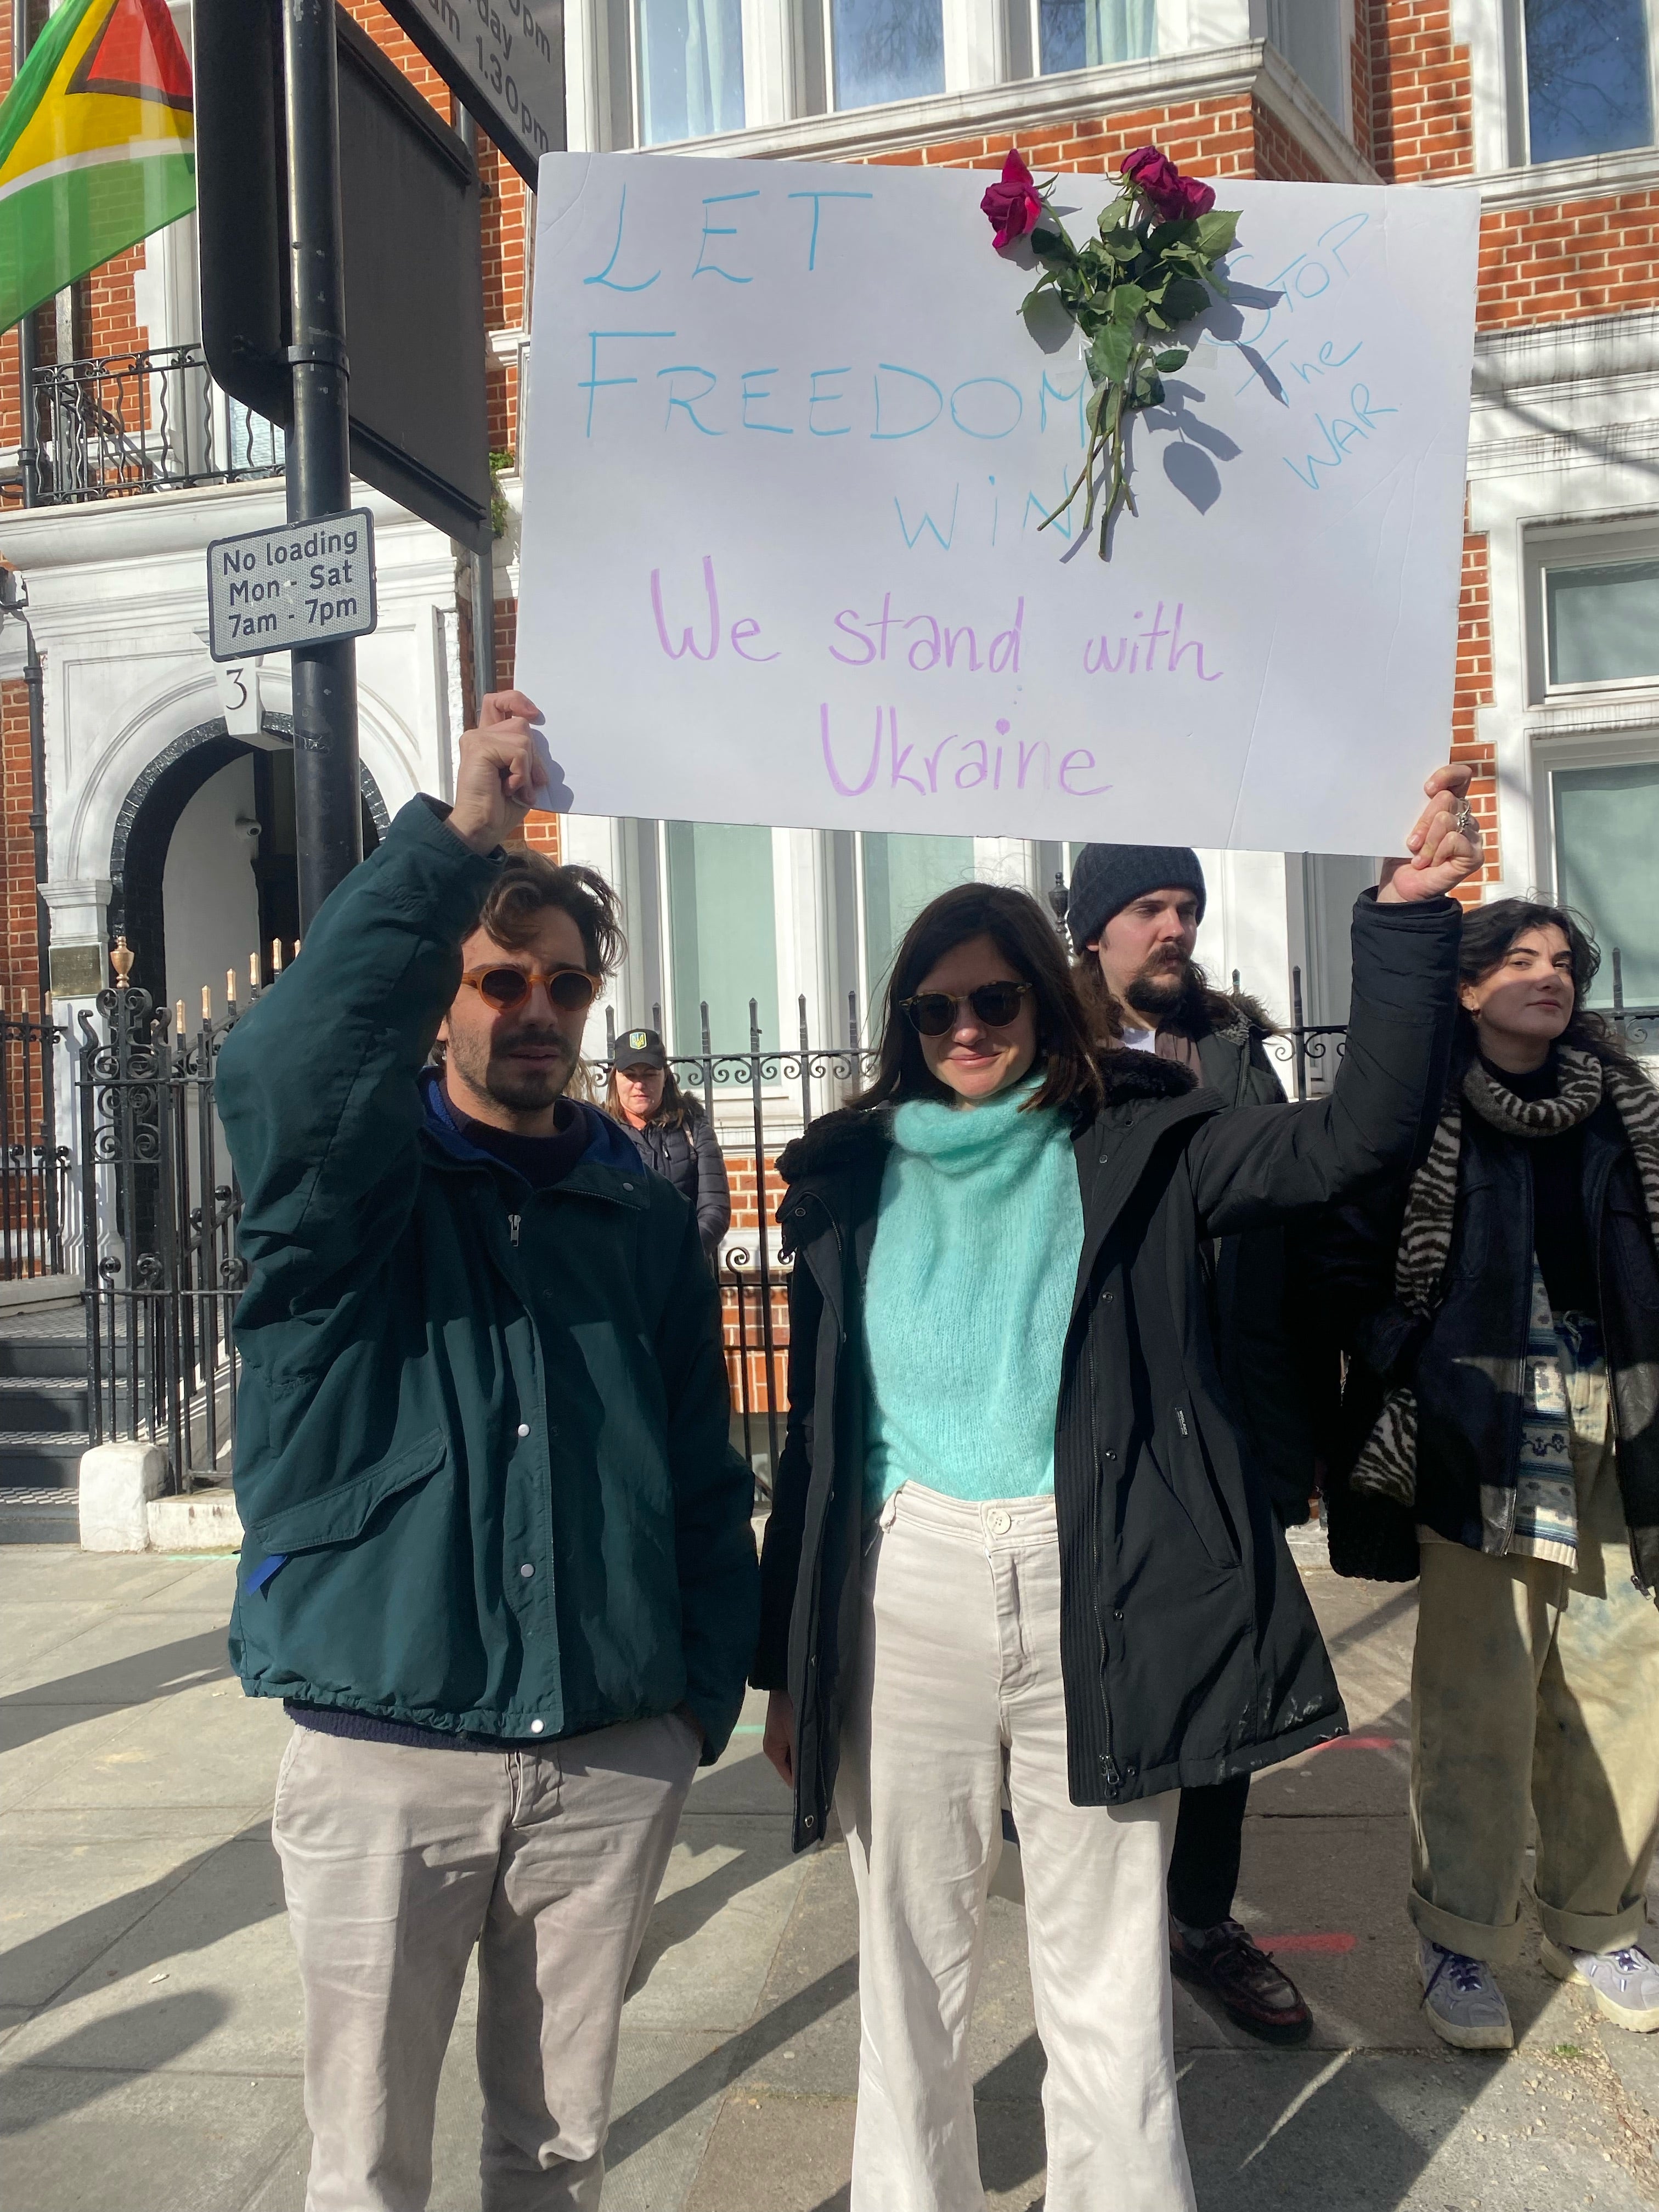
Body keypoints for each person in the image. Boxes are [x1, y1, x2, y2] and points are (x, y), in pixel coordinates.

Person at [755, 768, 1480, 2212]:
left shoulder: (1153, 1138)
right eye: (935, 1010)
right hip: (906, 1587)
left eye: (995, 1002)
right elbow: (823, 1440)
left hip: (1100, 1573)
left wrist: (1403, 929)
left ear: (1045, 1000)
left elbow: (1357, 1142)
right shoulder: (848, 1178)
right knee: (908, 1967)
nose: (966, 1030)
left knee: (1103, 1967)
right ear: (904, 1026)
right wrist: (790, 1665)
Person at [217, 691, 759, 2212]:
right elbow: (283, 1072)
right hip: (387, 1753)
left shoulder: (638, 1214)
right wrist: (453, 849)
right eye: (500, 978)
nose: (535, 1010)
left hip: (605, 1757)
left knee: (559, 2155)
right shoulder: (348, 1196)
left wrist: (690, 1703)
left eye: (566, 988)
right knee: (369, 2167)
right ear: (444, 996)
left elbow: (705, 1472)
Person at [1316, 899, 1659, 2050]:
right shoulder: (1420, 1112)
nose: (1548, 977)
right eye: (1519, 960)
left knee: (1624, 1678)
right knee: (1480, 1695)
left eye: (1564, 963)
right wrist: (1424, 1368)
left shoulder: (1624, 1110)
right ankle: (1459, 1938)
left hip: (1622, 1416)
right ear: (1466, 989)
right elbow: (1350, 1265)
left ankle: (1596, 1916)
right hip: (1485, 1429)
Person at [1065, 843, 1323, 2044]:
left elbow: (1284, 1229)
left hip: (1225, 1411)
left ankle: (1200, 1918)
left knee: (1231, 1680)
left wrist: (1295, 1429)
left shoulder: (1234, 1049)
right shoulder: (1043, 1049)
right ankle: (1098, 1918)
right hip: (1095, 1414)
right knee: (1090, 1663)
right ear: (1095, 927)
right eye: (1148, 907)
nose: (1174, 926)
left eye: (1187, 907)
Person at [606, 1028, 732, 1263]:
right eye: (631, 1075)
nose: (640, 1084)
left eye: (650, 1074)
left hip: (685, 1276)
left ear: (665, 1077)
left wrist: (682, 1256)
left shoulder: (694, 1128)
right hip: (619, 1277)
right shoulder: (599, 1131)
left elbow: (715, 1208)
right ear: (616, 1079)